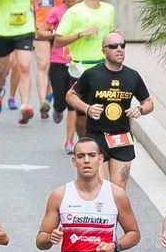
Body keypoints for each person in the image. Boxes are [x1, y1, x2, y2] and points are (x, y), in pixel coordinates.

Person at [66, 32, 154, 187]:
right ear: (104, 51)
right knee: (98, 189)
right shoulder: (92, 74)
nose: (119, 49)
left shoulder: (132, 76)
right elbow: (70, 96)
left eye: (122, 45)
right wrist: (87, 108)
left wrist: (140, 109)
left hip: (122, 138)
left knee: (118, 192)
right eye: (113, 46)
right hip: (97, 137)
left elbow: (148, 102)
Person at [39, 0, 81, 152]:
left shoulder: (82, 12)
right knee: (60, 100)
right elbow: (41, 31)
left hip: (77, 62)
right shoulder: (57, 11)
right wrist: (55, 33)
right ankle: (56, 108)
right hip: (58, 61)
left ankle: (69, 141)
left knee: (72, 102)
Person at [33, 0, 71, 119]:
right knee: (42, 64)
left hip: (61, 31)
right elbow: (27, 0)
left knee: (55, 68)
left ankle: (52, 90)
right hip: (41, 29)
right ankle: (43, 102)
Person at [54, 0, 115, 79]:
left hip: (104, 66)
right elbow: (57, 42)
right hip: (80, 69)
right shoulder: (73, 12)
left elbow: (108, 33)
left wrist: (114, 35)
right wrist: (81, 34)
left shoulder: (109, 9)